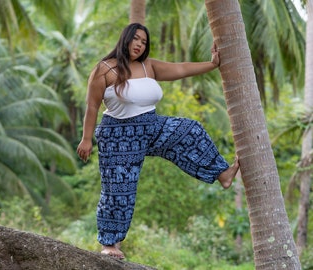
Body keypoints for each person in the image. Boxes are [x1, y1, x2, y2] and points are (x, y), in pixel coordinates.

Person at [77, 22, 239, 260]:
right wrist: (86, 139)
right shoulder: (105, 69)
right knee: (120, 190)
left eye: (144, 42)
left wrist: (213, 64)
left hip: (150, 127)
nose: (140, 45)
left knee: (189, 130)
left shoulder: (148, 66)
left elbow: (182, 68)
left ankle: (222, 174)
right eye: (136, 39)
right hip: (118, 136)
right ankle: (110, 244)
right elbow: (92, 106)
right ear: (126, 39)